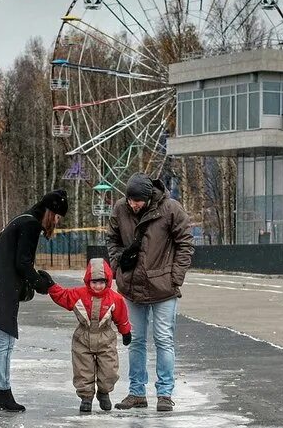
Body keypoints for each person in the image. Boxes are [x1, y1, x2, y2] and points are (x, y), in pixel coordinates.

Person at [0, 189, 68, 412]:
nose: (57, 222)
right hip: (2, 288)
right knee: (5, 342)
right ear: (51, 212)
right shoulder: (31, 226)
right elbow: (23, 263)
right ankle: (3, 391)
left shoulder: (22, 219)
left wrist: (34, 280)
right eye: (58, 217)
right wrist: (40, 283)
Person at [106, 173, 195, 412]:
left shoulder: (170, 209)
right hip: (131, 285)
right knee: (135, 340)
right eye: (130, 199)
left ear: (148, 197)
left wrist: (175, 277)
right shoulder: (120, 209)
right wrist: (117, 267)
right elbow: (112, 239)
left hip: (163, 288)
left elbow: (185, 243)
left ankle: (165, 393)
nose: (132, 204)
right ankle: (137, 392)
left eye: (137, 200)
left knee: (163, 339)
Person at [46, 257, 132, 414]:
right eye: (94, 282)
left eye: (101, 282)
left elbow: (122, 317)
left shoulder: (115, 298)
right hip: (82, 339)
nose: (98, 286)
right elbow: (63, 295)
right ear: (88, 281)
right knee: (83, 370)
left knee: (109, 370)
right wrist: (51, 286)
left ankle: (104, 392)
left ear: (107, 281)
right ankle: (86, 397)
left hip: (105, 338)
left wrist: (126, 332)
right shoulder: (79, 294)